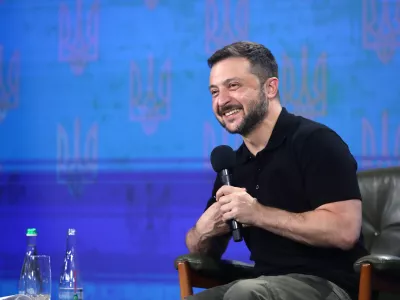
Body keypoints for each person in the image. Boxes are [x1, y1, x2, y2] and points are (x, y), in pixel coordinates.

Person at [184, 41, 369, 300]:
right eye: (214, 92)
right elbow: (204, 253)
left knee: (244, 294)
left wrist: (257, 213)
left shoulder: (315, 141)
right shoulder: (231, 165)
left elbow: (344, 231)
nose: (222, 101)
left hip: (328, 285)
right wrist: (202, 231)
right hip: (262, 284)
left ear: (270, 88)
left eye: (233, 86)